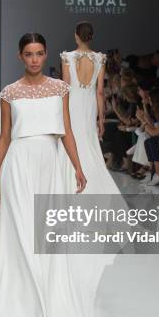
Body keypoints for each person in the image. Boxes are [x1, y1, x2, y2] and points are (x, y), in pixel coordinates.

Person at [0, 32, 88, 317]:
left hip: (49, 167)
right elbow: (5, 138)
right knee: (20, 236)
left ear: (46, 54)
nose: (34, 59)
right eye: (29, 54)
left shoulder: (61, 89)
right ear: (20, 56)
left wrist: (77, 166)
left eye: (39, 53)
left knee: (45, 238)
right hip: (18, 166)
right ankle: (23, 312)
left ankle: (46, 310)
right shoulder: (9, 93)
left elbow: (66, 131)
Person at [59, 21, 120, 193]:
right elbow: (100, 91)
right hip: (89, 104)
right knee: (89, 141)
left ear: (76, 36)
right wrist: (101, 118)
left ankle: (70, 184)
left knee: (72, 139)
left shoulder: (67, 57)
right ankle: (94, 184)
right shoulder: (100, 58)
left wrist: (60, 112)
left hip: (72, 104)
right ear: (91, 37)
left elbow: (65, 88)